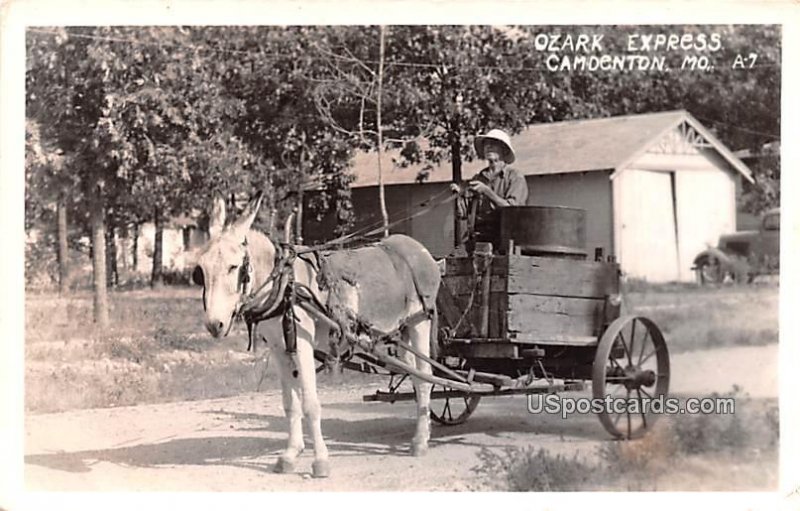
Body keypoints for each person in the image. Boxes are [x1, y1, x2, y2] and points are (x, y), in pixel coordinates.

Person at [451, 128, 529, 252]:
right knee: (452, 261)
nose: (488, 146)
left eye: (493, 143)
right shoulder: (478, 177)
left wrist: (487, 191)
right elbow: (465, 215)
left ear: (504, 149)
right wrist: (459, 196)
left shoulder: (515, 177)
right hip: (479, 238)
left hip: (504, 239)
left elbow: (513, 210)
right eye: (486, 144)